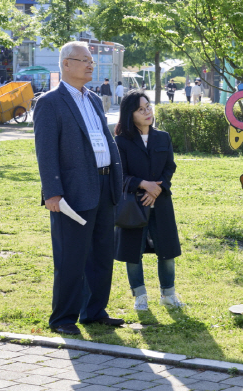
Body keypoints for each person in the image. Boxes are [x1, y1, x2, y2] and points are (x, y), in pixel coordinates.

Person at [33, 41, 125, 336]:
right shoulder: (50, 102)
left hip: (103, 184)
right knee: (71, 256)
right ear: (66, 64)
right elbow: (45, 152)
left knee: (101, 253)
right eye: (84, 60)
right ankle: (63, 318)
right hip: (71, 192)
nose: (90, 65)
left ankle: (94, 311)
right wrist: (52, 193)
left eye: (91, 60)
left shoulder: (95, 100)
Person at [114, 90, 184, 311]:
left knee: (167, 250)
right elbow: (120, 175)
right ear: (129, 114)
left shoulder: (162, 137)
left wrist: (156, 189)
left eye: (149, 107)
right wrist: (143, 184)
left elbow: (169, 167)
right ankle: (140, 296)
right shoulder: (121, 142)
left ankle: (168, 295)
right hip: (133, 205)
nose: (147, 112)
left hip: (161, 202)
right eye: (140, 109)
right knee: (133, 252)